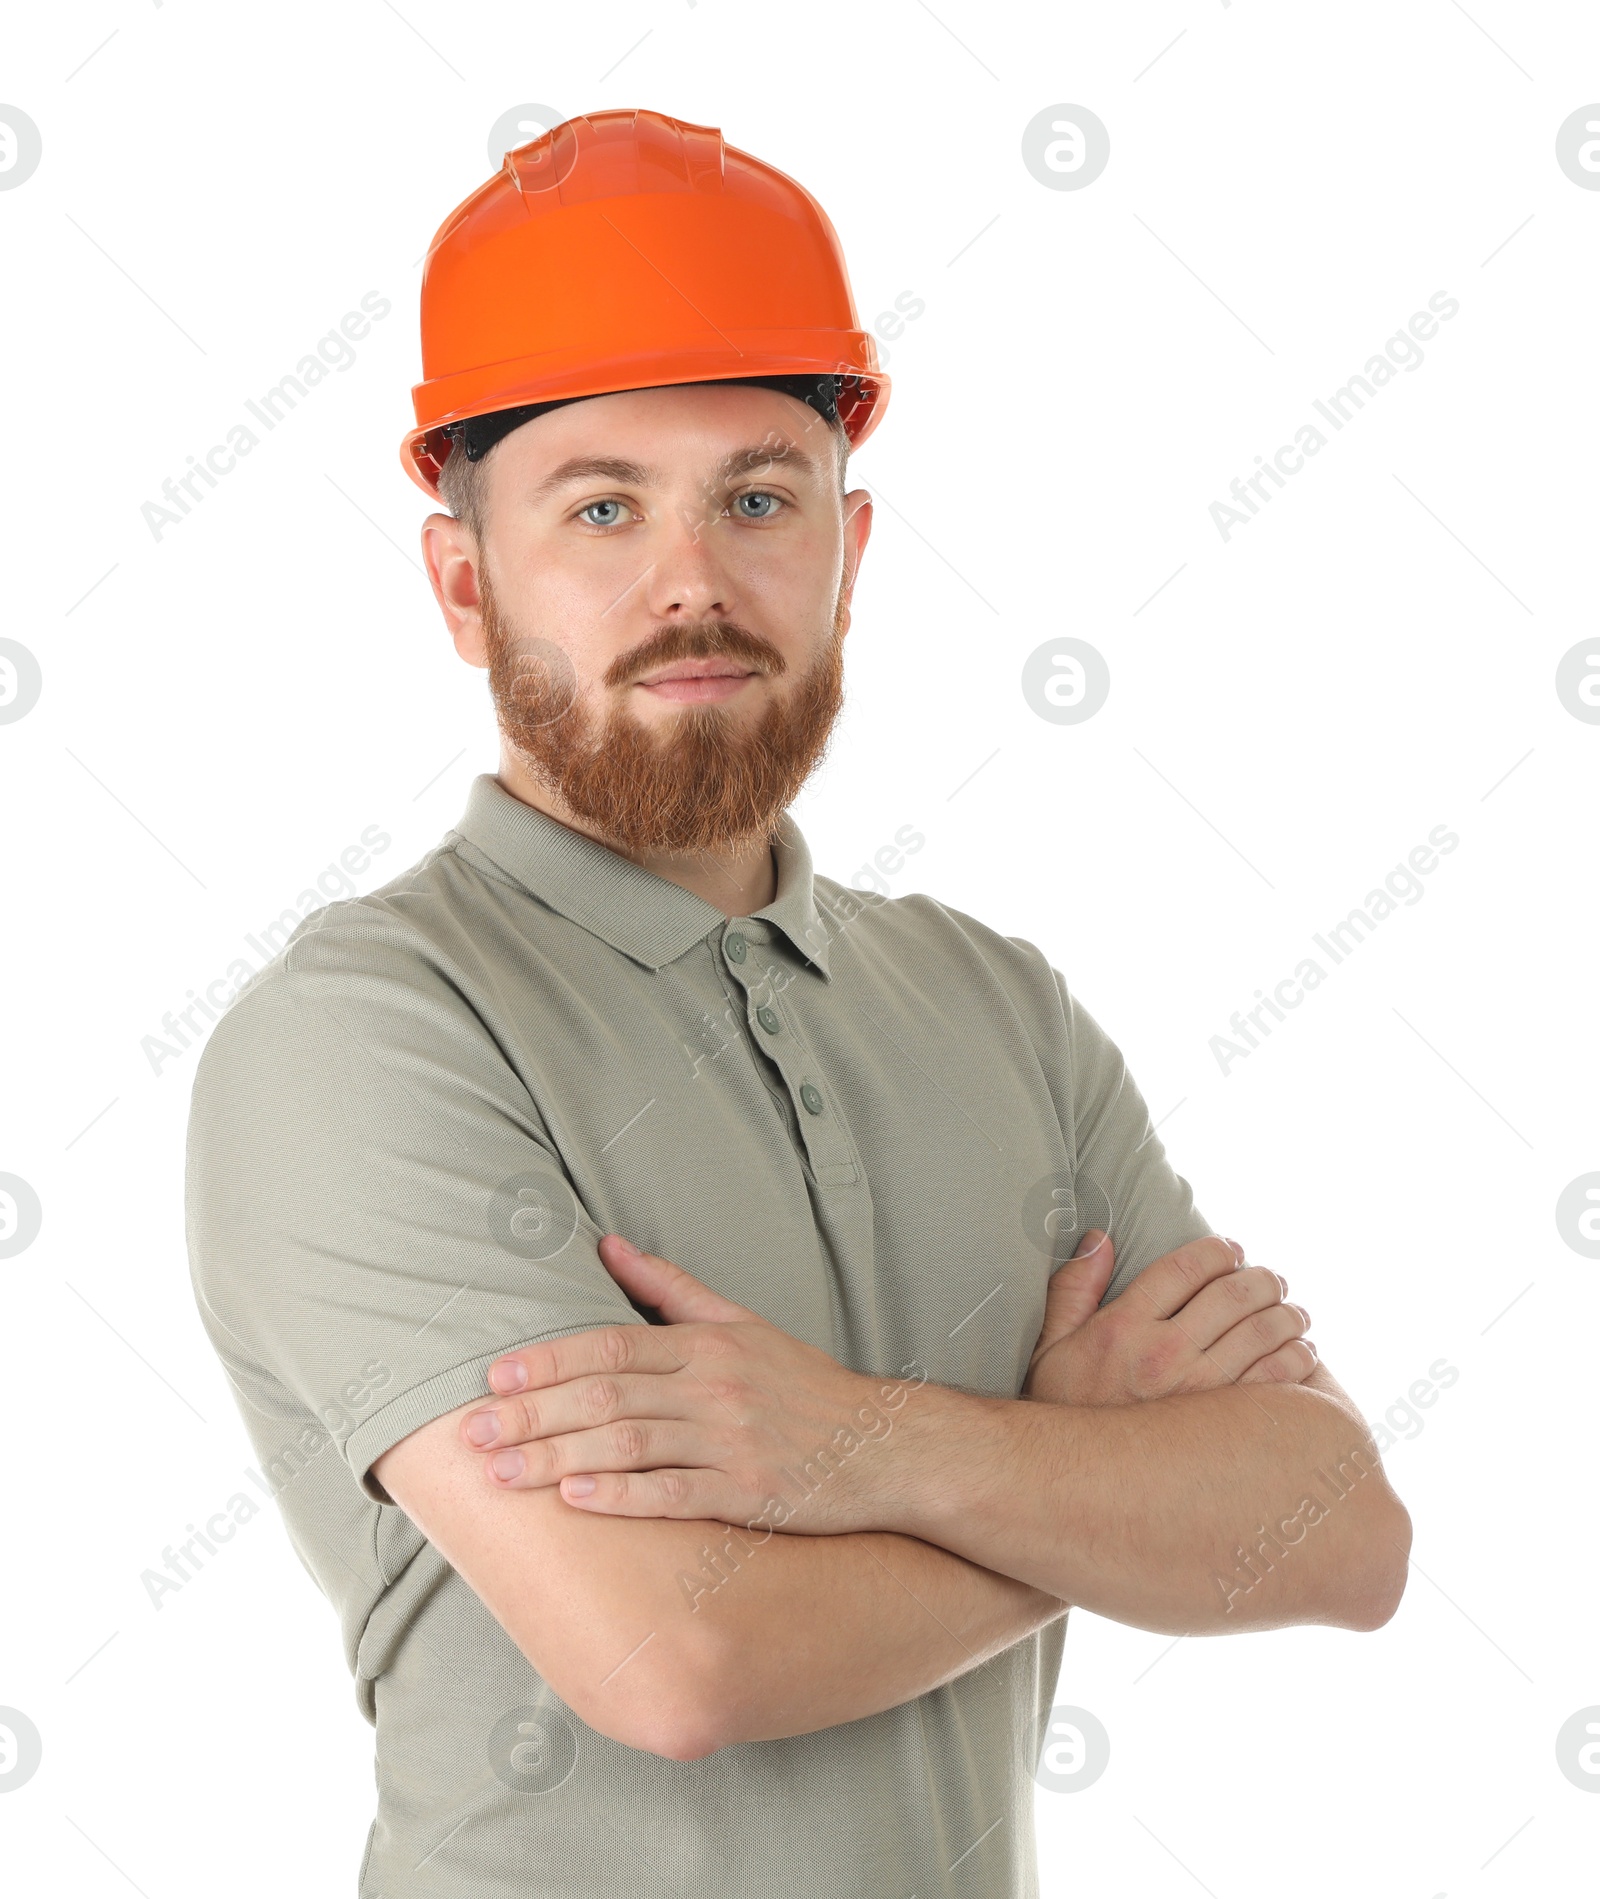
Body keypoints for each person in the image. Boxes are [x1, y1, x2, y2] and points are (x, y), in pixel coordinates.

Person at [185, 108, 1411, 1898]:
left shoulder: (997, 1005)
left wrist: (864, 1447)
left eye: (757, 498)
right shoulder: (369, 1034)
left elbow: (1342, 1538)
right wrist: (1089, 1484)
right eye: (601, 508)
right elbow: (675, 1662)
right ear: (466, 583)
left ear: (849, 549)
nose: (693, 580)